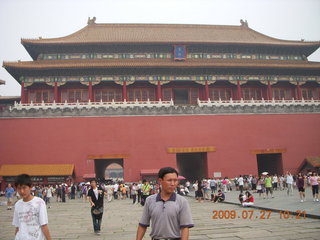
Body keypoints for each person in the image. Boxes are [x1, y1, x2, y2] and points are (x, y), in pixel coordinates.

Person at [136, 167, 194, 240]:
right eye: (169, 180)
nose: (173, 184)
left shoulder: (182, 201)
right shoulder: (150, 200)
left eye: (175, 180)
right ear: (160, 181)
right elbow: (142, 225)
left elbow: (185, 227)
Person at [13, 174, 51, 240]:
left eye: (24, 188)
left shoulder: (39, 203)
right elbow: (18, 226)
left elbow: (44, 225)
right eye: (19, 188)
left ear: (30, 187)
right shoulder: (17, 204)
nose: (22, 191)